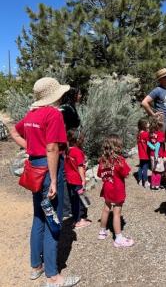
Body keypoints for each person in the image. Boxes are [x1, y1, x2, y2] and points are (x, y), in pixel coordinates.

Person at [10, 77, 80, 286]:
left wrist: (30, 148)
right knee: (53, 221)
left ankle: (36, 267)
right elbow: (52, 148)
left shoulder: (32, 114)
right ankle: (53, 276)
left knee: (39, 216)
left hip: (34, 168)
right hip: (48, 170)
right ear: (55, 95)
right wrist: (53, 182)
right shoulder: (53, 114)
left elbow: (14, 131)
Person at [97, 135, 134, 248]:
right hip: (117, 190)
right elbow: (126, 173)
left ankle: (102, 232)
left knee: (106, 209)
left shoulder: (103, 160)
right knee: (117, 213)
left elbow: (99, 174)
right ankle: (118, 238)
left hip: (107, 188)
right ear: (117, 147)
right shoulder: (119, 160)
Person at [60, 87, 82, 219]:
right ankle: (66, 209)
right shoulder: (66, 108)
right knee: (65, 175)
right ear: (73, 95)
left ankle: (70, 206)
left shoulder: (70, 107)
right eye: (79, 94)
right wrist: (66, 143)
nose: (80, 96)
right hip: (66, 146)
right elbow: (63, 126)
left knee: (68, 174)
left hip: (70, 145)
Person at [64, 129, 91, 229]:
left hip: (69, 179)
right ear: (78, 140)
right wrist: (83, 180)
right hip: (77, 180)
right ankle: (80, 220)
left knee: (74, 199)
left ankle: (76, 219)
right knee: (81, 199)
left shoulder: (68, 150)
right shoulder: (77, 152)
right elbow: (80, 166)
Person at [148, 117, 165, 190]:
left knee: (153, 170)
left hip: (151, 154)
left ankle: (152, 184)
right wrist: (156, 154)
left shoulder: (151, 133)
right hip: (158, 155)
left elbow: (148, 143)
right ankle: (157, 184)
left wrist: (152, 147)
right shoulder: (160, 133)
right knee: (159, 171)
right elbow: (158, 144)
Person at [136, 118, 150, 188]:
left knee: (141, 167)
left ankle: (140, 180)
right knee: (145, 167)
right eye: (147, 123)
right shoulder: (146, 134)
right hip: (146, 153)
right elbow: (149, 143)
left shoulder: (138, 134)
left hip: (141, 153)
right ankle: (146, 181)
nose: (149, 124)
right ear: (144, 125)